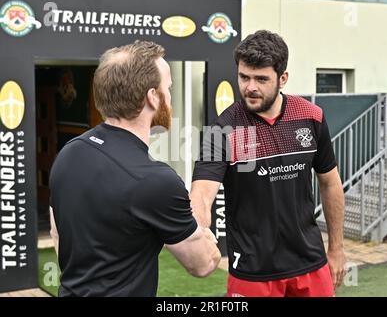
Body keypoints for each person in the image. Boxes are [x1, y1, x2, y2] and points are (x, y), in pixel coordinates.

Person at [49, 40, 221, 297]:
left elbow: (57, 236)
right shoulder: (155, 180)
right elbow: (203, 264)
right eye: (168, 88)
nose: (170, 97)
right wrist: (204, 231)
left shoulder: (69, 153)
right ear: (153, 96)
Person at [190, 30, 346, 297]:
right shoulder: (224, 129)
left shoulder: (311, 117)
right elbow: (202, 194)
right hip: (252, 271)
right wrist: (199, 229)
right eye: (244, 77)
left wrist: (337, 248)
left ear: (282, 78)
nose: (251, 87)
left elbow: (330, 183)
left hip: (310, 262)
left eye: (261, 79)